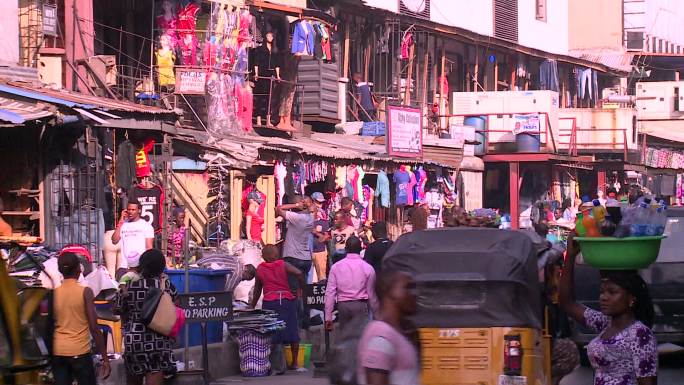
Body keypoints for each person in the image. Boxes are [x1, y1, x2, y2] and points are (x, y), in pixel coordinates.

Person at [559, 233, 657, 385]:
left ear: (631, 298)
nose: (604, 297)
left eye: (612, 292)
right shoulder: (605, 323)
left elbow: (648, 382)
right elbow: (567, 303)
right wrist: (570, 256)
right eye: (602, 292)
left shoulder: (640, 334)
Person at [115, 249, 178, 385]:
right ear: (161, 267)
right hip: (158, 342)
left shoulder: (129, 287)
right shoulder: (166, 287)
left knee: (133, 379)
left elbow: (117, 309)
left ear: (141, 265)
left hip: (134, 341)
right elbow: (176, 309)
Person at [52, 252, 110, 385]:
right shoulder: (85, 292)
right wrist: (105, 358)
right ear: (79, 269)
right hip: (80, 352)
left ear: (60, 270)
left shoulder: (53, 294)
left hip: (58, 352)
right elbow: (94, 328)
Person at [356, 270, 419, 385]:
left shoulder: (400, 333)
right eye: (408, 287)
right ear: (390, 292)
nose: (414, 294)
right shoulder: (381, 337)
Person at [251, 245, 306, 371]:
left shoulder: (260, 269)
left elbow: (257, 291)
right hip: (286, 301)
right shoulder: (283, 264)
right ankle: (294, 363)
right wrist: (301, 289)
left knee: (271, 332)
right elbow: (299, 273)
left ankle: (271, 363)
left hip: (270, 302)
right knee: (292, 331)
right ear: (276, 255)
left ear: (263, 257)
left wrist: (251, 306)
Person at [324, 236, 379, 334]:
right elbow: (371, 295)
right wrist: (377, 314)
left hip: (343, 306)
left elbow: (330, 293)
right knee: (361, 338)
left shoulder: (336, 267)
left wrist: (328, 317)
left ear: (346, 249)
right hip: (360, 305)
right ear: (361, 249)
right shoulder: (368, 268)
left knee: (346, 337)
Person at [276, 195, 316, 289]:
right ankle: (303, 303)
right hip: (306, 258)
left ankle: (298, 303)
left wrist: (295, 205)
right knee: (303, 289)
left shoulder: (296, 217)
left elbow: (277, 209)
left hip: (293, 258)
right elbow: (313, 209)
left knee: (293, 290)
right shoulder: (310, 218)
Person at [111, 201, 154, 272]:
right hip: (124, 266)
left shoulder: (146, 225)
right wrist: (121, 221)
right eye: (129, 209)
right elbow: (114, 241)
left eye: (133, 210)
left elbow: (149, 247)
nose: (130, 212)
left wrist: (148, 265)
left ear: (139, 210)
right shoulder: (123, 224)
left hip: (139, 266)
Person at [311, 192, 330, 281]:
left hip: (320, 250)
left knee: (321, 278)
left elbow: (327, 235)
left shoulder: (323, 214)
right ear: (312, 201)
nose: (320, 205)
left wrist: (317, 233)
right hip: (307, 251)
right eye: (318, 202)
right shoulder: (305, 214)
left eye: (321, 202)